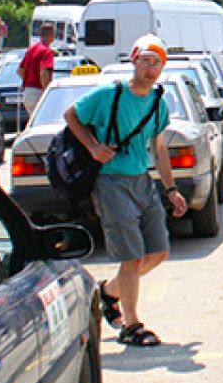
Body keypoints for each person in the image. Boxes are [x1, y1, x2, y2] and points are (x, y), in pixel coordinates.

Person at [62, 35, 187, 347]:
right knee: (131, 257)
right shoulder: (110, 94)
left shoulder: (158, 102)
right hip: (111, 182)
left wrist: (171, 190)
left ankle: (108, 293)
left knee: (158, 252)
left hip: (142, 182)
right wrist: (93, 147)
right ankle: (132, 325)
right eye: (146, 60)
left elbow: (159, 149)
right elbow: (71, 115)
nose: (151, 68)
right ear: (134, 60)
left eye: (157, 62)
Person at [18, 22, 55, 118]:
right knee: (44, 123)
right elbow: (43, 73)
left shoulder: (31, 49)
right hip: (38, 92)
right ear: (51, 35)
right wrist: (47, 92)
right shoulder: (46, 51)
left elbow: (20, 70)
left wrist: (30, 81)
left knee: (35, 123)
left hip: (27, 92)